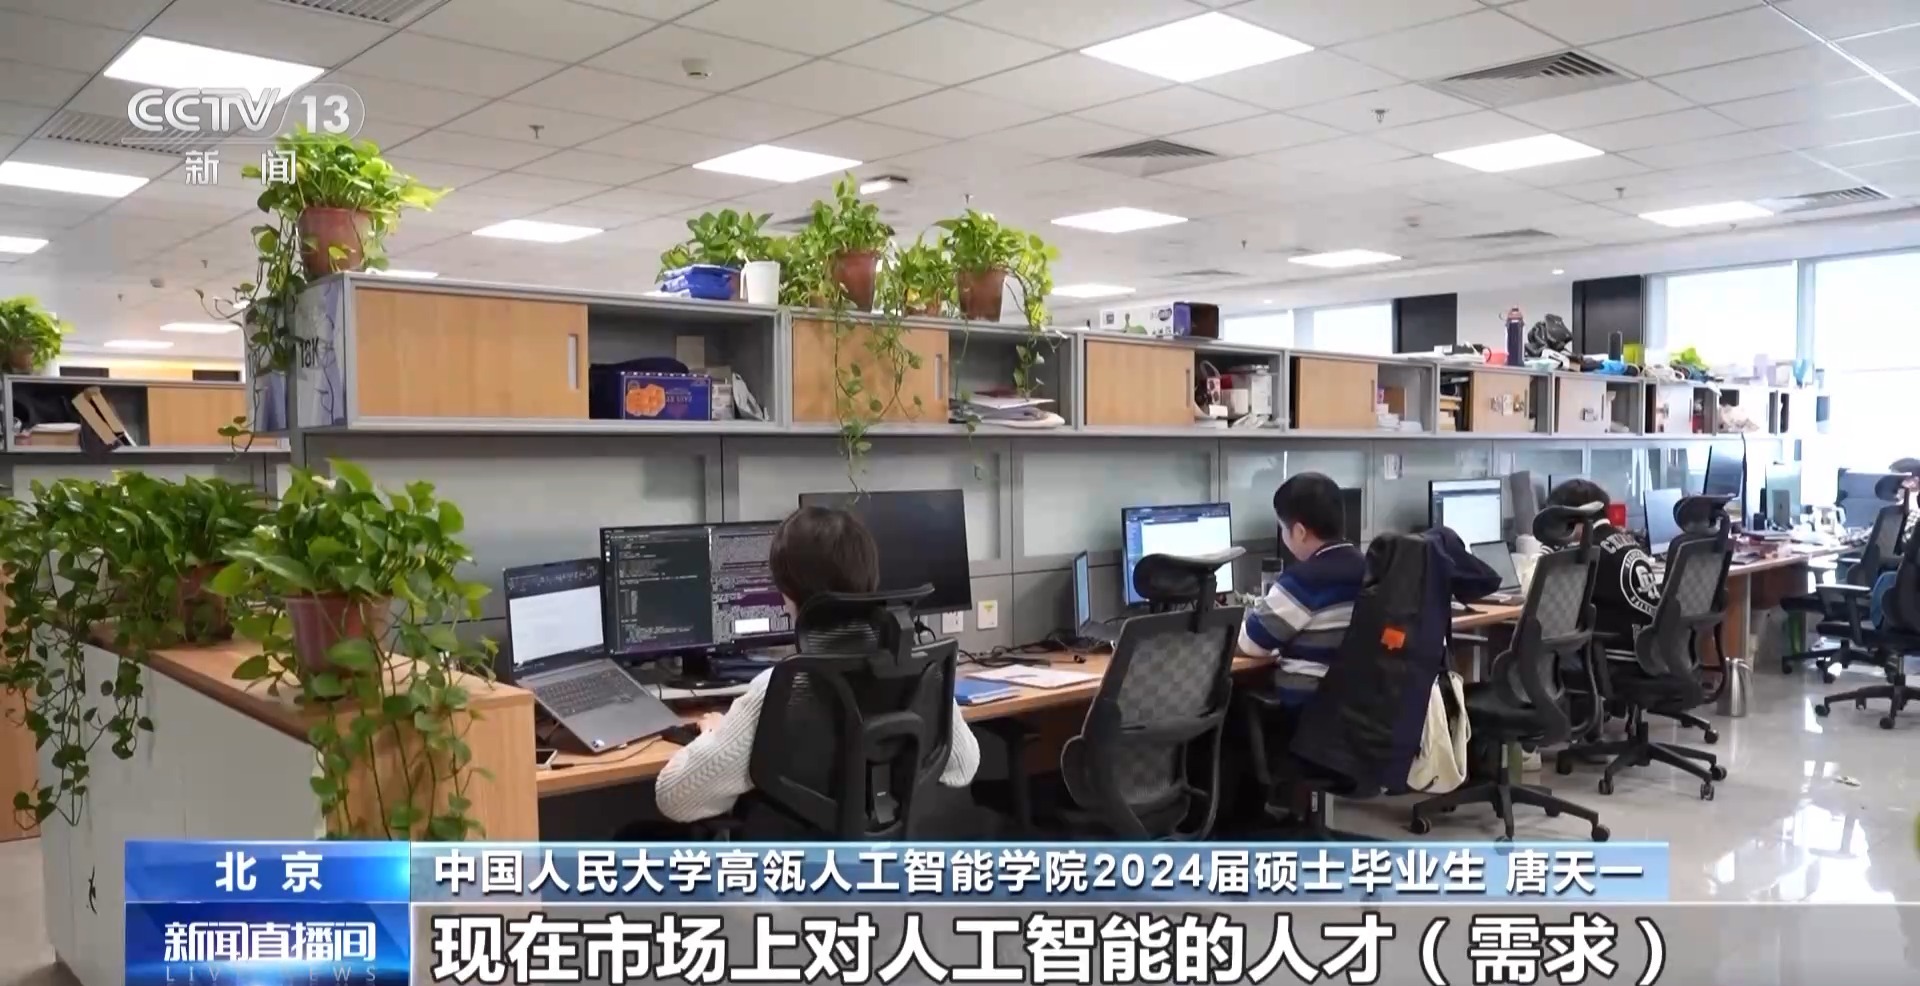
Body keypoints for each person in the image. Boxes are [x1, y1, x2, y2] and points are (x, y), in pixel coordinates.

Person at [654, 506, 980, 823]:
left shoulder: (782, 687)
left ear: (787, 592)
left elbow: (673, 797)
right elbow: (964, 767)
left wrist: (712, 734)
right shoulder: (922, 671)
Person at [1239, 472, 1367, 706]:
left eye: (1283, 528)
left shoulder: (1304, 580)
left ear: (1299, 531)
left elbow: (1252, 644)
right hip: (1356, 706)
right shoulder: (1368, 566)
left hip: (1310, 707)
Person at [1547, 478, 1660, 640]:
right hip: (1647, 638)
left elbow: (1555, 604)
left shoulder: (1586, 552)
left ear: (1571, 519)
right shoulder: (1629, 541)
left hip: (1615, 642)